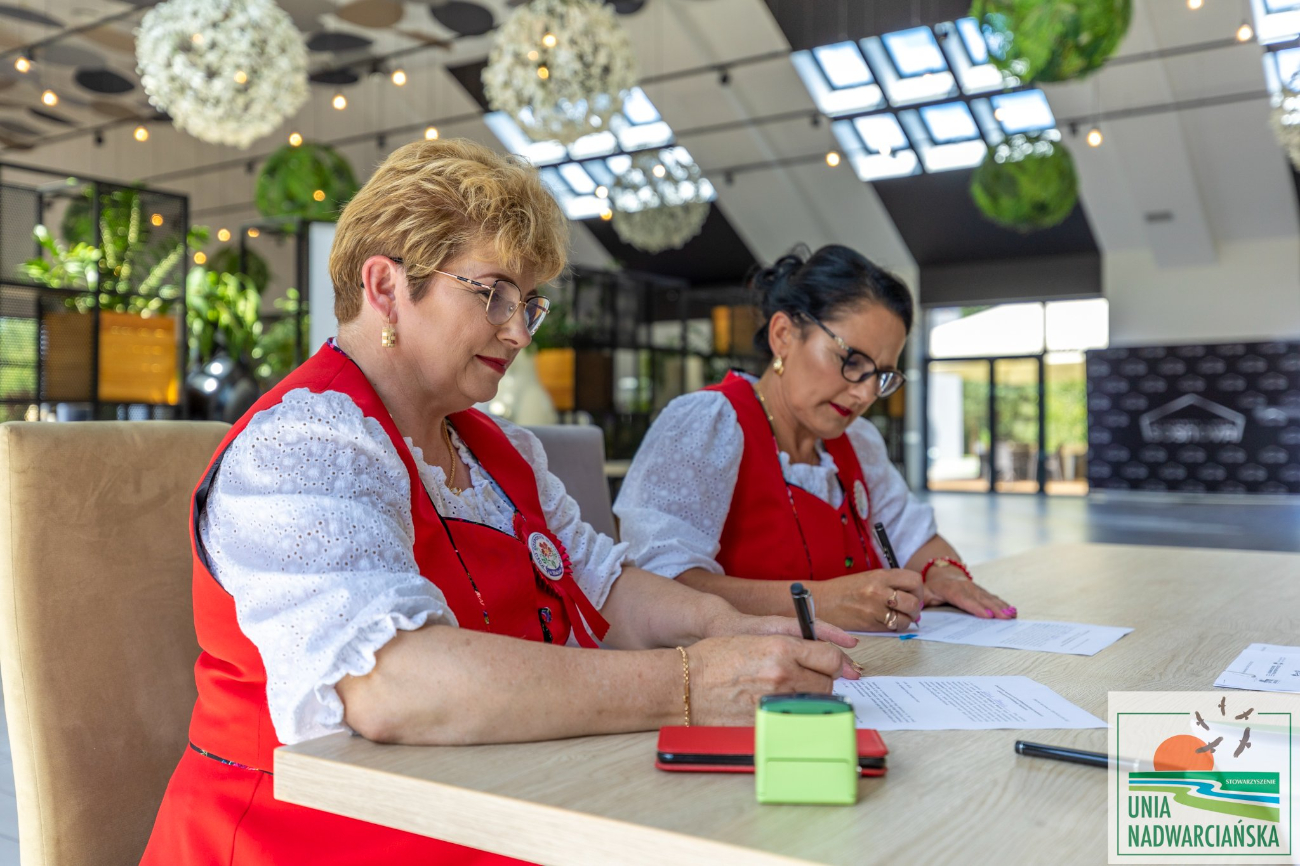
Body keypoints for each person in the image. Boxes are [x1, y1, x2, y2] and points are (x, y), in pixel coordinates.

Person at [140, 140, 859, 865]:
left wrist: (728, 626)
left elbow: (604, 586)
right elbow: (391, 686)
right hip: (305, 837)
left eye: (529, 303)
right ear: (386, 287)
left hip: (492, 808)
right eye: (493, 295)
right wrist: (692, 684)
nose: (518, 332)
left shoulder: (499, 449)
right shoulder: (303, 442)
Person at [614, 244, 1015, 633]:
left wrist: (944, 575)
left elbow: (915, 538)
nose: (865, 394)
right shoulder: (708, 424)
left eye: (882, 376)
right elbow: (660, 587)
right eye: (852, 361)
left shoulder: (856, 442)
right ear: (784, 335)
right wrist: (820, 602)